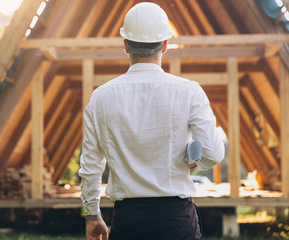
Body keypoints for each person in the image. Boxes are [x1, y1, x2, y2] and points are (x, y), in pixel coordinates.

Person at [78, 2, 225, 240]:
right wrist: (191, 162)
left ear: (125, 44)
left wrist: (92, 215)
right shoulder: (189, 92)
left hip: (128, 221)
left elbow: (90, 166)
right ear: (166, 44)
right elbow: (213, 153)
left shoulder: (101, 97)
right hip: (177, 221)